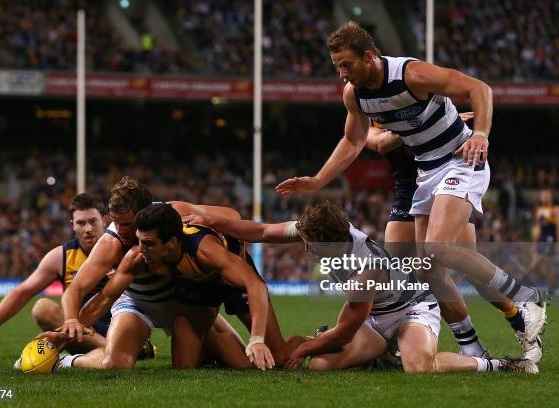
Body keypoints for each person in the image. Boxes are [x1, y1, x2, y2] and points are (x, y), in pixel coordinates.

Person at [274, 21, 546, 353]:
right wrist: (317, 180)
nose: (342, 74)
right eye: (337, 67)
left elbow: (481, 89)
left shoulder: (411, 75)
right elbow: (354, 139)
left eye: (346, 65)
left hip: (459, 159)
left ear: (370, 56)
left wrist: (481, 133)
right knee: (430, 268)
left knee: (437, 250)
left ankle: (524, 298)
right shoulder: (356, 95)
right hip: (425, 172)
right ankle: (475, 347)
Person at [183, 201, 538, 374]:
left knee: (419, 367)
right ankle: (381, 355)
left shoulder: (365, 271)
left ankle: (498, 365)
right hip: (375, 315)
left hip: (412, 307)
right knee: (322, 368)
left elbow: (344, 330)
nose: (302, 247)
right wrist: (214, 220)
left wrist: (304, 348)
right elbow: (261, 232)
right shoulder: (329, 232)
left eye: (308, 243)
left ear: (329, 244)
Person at [367, 120, 542, 362]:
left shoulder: (411, 91)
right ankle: (470, 347)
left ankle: (520, 318)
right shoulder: (366, 108)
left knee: (471, 271)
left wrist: (440, 122)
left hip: (447, 180)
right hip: (409, 188)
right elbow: (380, 143)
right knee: (405, 273)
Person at [51, 176, 251, 370]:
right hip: (137, 302)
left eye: (127, 224)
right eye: (115, 222)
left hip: (185, 301)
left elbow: (233, 216)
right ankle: (66, 362)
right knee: (114, 364)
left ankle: (202, 353)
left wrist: (207, 221)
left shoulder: (170, 216)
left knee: (241, 364)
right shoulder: (111, 243)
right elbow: (81, 290)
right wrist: (70, 320)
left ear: (144, 214)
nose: (120, 230)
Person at [130, 203, 305, 370]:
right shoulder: (146, 245)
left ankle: (313, 341)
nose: (141, 249)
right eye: (140, 241)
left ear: (172, 242)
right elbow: (110, 291)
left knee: (280, 356)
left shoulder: (205, 250)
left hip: (230, 279)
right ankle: (211, 340)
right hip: (197, 284)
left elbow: (255, 285)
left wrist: (257, 339)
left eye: (148, 243)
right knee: (184, 365)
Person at [0, 193, 110, 354]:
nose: (88, 229)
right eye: (81, 223)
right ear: (72, 225)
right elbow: (23, 291)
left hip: (117, 326)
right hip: (81, 330)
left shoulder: (121, 249)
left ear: (105, 220)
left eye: (93, 221)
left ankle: (111, 349)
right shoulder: (61, 256)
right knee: (42, 309)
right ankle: (111, 349)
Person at [533, 189, 557, 296]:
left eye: (547, 196)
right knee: (537, 264)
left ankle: (551, 288)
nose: (545, 198)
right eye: (543, 196)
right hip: (542, 238)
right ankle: (551, 282)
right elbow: (538, 227)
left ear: (551, 197)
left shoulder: (555, 209)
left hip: (550, 238)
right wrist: (535, 242)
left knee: (548, 264)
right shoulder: (539, 209)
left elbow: (557, 226)